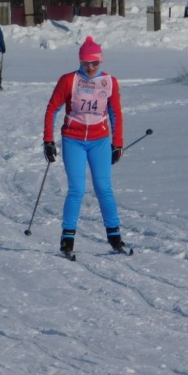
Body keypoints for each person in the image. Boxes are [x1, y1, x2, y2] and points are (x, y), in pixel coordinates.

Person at [43, 36, 125, 256]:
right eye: (86, 63)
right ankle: (67, 239)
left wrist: (117, 143)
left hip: (100, 141)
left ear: (101, 60)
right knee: (77, 189)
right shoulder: (69, 80)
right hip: (74, 140)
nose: (90, 67)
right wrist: (48, 140)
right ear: (80, 61)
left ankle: (115, 237)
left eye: (95, 63)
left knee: (104, 188)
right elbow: (52, 109)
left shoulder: (109, 82)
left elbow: (115, 113)